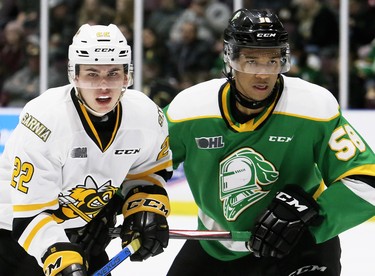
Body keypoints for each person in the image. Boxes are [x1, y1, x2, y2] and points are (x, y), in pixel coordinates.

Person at [163, 8, 375, 276]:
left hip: (298, 246)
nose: (263, 74)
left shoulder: (314, 107)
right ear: (231, 59)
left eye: (272, 60)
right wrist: (135, 205)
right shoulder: (189, 110)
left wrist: (309, 215)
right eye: (252, 61)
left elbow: (367, 180)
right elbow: (143, 166)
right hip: (218, 246)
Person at [0, 23, 173, 276]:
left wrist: (144, 208)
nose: (103, 86)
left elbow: (147, 173)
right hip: (16, 234)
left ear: (127, 75)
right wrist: (60, 255)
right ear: (75, 75)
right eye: (92, 74)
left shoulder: (146, 116)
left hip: (84, 231)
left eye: (113, 73)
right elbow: (30, 212)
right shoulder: (46, 118)